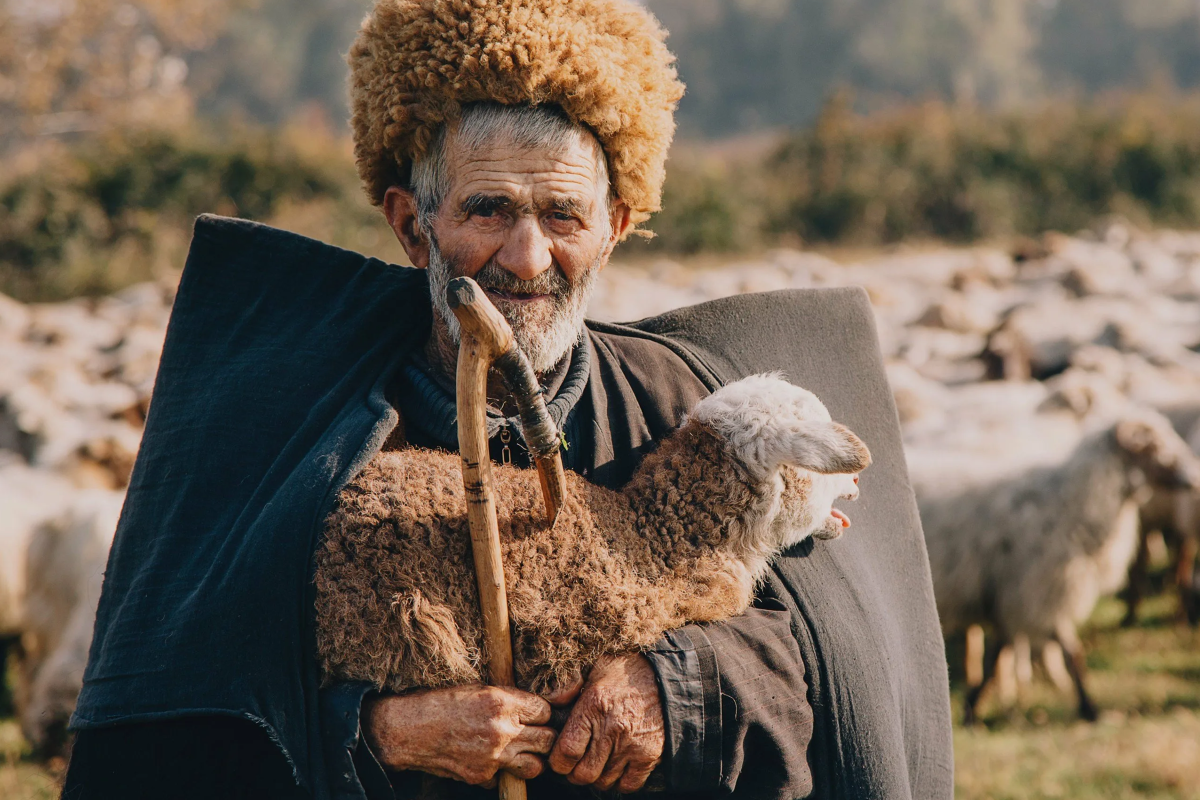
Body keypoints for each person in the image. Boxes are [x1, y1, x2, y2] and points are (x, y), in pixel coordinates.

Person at [63, 1, 954, 798]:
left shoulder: (687, 412)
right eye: (488, 210)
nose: (528, 259)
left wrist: (672, 690)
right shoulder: (292, 429)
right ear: (415, 226)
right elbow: (186, 715)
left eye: (563, 216)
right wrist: (375, 732)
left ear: (616, 227)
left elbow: (810, 667)